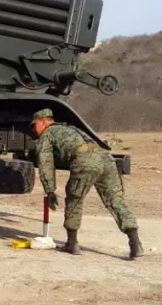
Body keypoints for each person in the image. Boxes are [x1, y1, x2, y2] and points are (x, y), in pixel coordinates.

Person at [30, 108, 143, 259]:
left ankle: (72, 243)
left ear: (44, 121)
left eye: (34, 125)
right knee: (116, 199)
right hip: (106, 159)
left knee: (74, 199)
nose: (33, 129)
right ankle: (135, 244)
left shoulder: (47, 134)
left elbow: (46, 164)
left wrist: (50, 191)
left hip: (85, 161)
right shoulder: (70, 128)